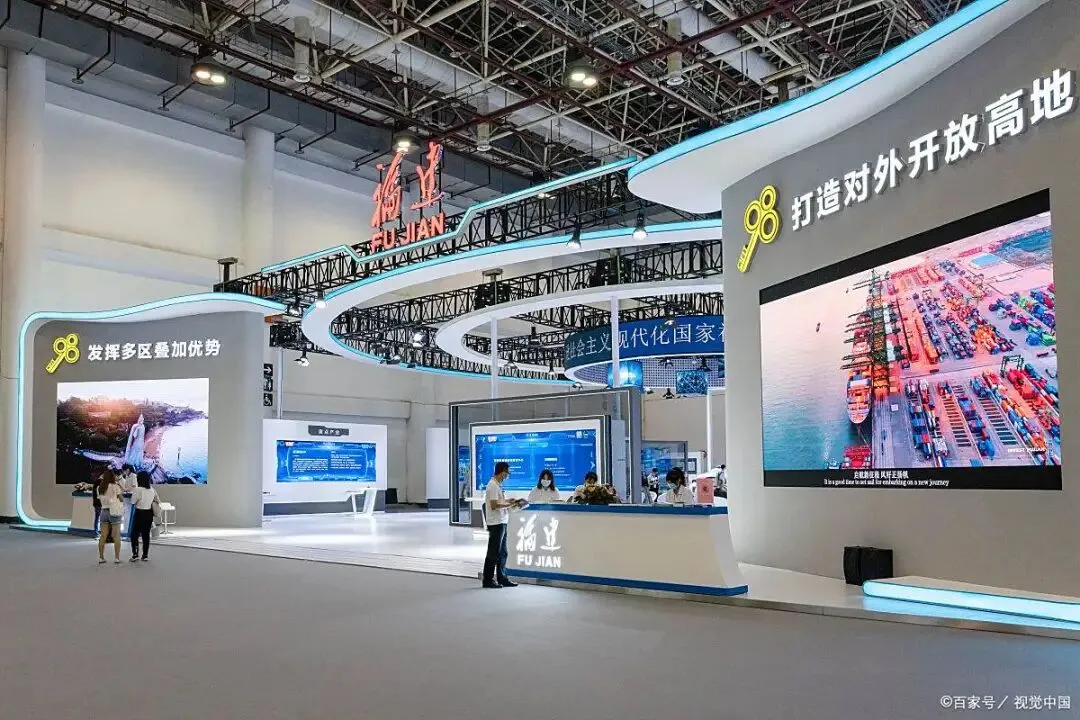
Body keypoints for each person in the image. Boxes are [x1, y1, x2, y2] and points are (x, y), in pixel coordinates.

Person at [482, 462, 521, 589]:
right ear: (502, 472)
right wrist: (509, 504)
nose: (507, 475)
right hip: (496, 523)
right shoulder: (493, 485)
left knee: (503, 552)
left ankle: (502, 577)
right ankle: (488, 580)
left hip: (501, 521)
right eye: (507, 473)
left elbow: (498, 501)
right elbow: (494, 505)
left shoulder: (497, 485)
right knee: (493, 553)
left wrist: (508, 501)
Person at [129, 471, 158, 562]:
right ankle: (145, 555)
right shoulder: (152, 489)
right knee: (146, 535)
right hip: (149, 513)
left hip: (139, 513)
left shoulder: (138, 489)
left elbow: (133, 501)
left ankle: (135, 554)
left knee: (134, 534)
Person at [96, 471, 124, 564]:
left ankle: (101, 557)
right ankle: (117, 558)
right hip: (114, 512)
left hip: (104, 512)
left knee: (103, 536)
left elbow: (100, 499)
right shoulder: (115, 487)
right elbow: (121, 499)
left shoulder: (100, 487)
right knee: (116, 536)